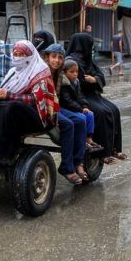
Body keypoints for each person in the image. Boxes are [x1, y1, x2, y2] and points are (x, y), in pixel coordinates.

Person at [0, 40, 59, 164]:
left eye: (21, 55)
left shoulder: (40, 71)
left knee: (13, 107)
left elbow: (37, 100)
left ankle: (4, 151)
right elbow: (5, 90)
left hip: (38, 116)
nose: (17, 58)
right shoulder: (13, 71)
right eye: (15, 54)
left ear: (30, 55)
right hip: (17, 110)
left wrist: (9, 95)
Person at [66, 33, 126, 164]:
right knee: (102, 113)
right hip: (80, 96)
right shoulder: (72, 61)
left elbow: (100, 76)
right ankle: (103, 153)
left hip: (93, 95)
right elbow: (80, 82)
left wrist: (94, 79)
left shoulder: (87, 60)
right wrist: (93, 80)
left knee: (114, 110)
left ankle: (114, 149)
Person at [43, 43, 89, 184]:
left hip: (54, 105)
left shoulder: (59, 72)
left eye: (60, 57)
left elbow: (56, 95)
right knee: (68, 125)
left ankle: (78, 162)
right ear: (47, 57)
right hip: (43, 106)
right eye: (53, 57)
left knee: (81, 120)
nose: (56, 60)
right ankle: (66, 167)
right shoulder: (42, 70)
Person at [59, 59, 100, 149]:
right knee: (82, 118)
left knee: (90, 114)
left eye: (76, 71)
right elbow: (67, 101)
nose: (75, 74)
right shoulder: (64, 84)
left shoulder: (76, 82)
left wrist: (85, 106)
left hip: (75, 107)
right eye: (72, 72)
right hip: (66, 108)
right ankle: (81, 140)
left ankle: (88, 138)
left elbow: (80, 96)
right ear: (64, 73)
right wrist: (80, 109)